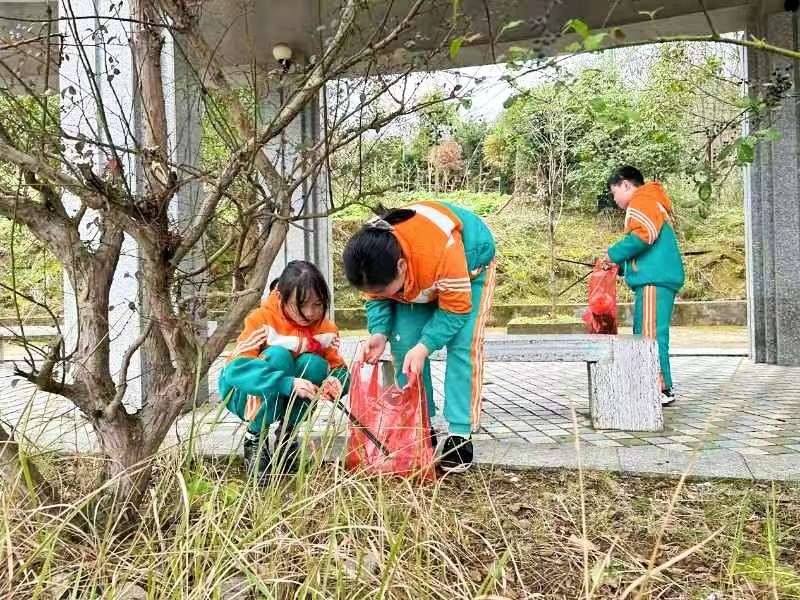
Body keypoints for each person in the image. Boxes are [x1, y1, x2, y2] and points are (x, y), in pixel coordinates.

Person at [342, 200, 496, 473]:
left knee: (463, 347)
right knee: (403, 345)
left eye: (389, 291)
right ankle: (420, 425)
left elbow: (457, 309)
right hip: (419, 279)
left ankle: (460, 434)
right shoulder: (372, 256)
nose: (387, 297)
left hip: (470, 267)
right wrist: (379, 332)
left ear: (401, 266)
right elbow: (377, 297)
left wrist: (426, 345)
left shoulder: (438, 249)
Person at [218, 260, 349, 481]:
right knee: (278, 355)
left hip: (288, 399)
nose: (309, 313)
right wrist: (287, 383)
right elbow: (234, 369)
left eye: (317, 304)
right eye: (301, 304)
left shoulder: (326, 331)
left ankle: (287, 438)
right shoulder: (262, 321)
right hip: (245, 395)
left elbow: (340, 369)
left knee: (315, 364)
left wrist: (335, 383)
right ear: (281, 297)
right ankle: (255, 439)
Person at [603, 166, 685, 405]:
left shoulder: (642, 199)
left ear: (626, 184)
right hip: (656, 277)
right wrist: (621, 267)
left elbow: (643, 234)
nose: (614, 198)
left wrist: (613, 254)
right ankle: (658, 386)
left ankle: (657, 387)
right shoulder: (651, 200)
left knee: (649, 337)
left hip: (654, 280)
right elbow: (648, 244)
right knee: (648, 334)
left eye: (614, 192)